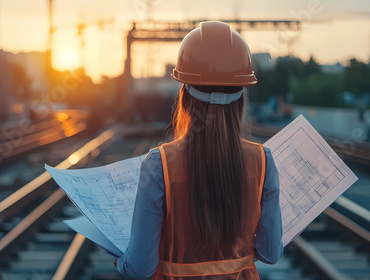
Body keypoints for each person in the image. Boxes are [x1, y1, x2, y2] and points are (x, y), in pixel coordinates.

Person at [114, 21, 283, 279]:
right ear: (241, 101)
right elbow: (270, 253)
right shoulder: (263, 162)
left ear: (185, 97)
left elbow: (140, 268)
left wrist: (121, 262)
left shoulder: (160, 165)